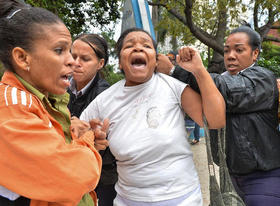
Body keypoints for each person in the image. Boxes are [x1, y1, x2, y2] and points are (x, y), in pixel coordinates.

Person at [79, 27, 225, 205]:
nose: (138, 48)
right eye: (129, 45)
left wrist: (199, 70)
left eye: (146, 45)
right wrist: (90, 140)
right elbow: (75, 137)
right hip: (129, 201)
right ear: (120, 63)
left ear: (155, 61)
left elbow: (215, 120)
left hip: (183, 200)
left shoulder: (172, 87)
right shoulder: (104, 101)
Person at [157, 25, 280, 206]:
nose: (230, 56)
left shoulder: (263, 78)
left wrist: (176, 71)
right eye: (227, 50)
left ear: (255, 54)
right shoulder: (221, 79)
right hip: (229, 177)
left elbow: (227, 91)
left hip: (263, 176)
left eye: (239, 50)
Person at [0, 1, 108, 206]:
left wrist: (75, 135)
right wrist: (86, 140)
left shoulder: (44, 98)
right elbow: (76, 177)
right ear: (23, 58)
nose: (72, 62)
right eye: (60, 50)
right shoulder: (13, 109)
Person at [68, 33, 117, 206]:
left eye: (85, 59)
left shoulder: (106, 96)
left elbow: (106, 143)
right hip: (71, 171)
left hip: (102, 176)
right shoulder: (61, 87)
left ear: (100, 63)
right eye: (73, 56)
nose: (76, 63)